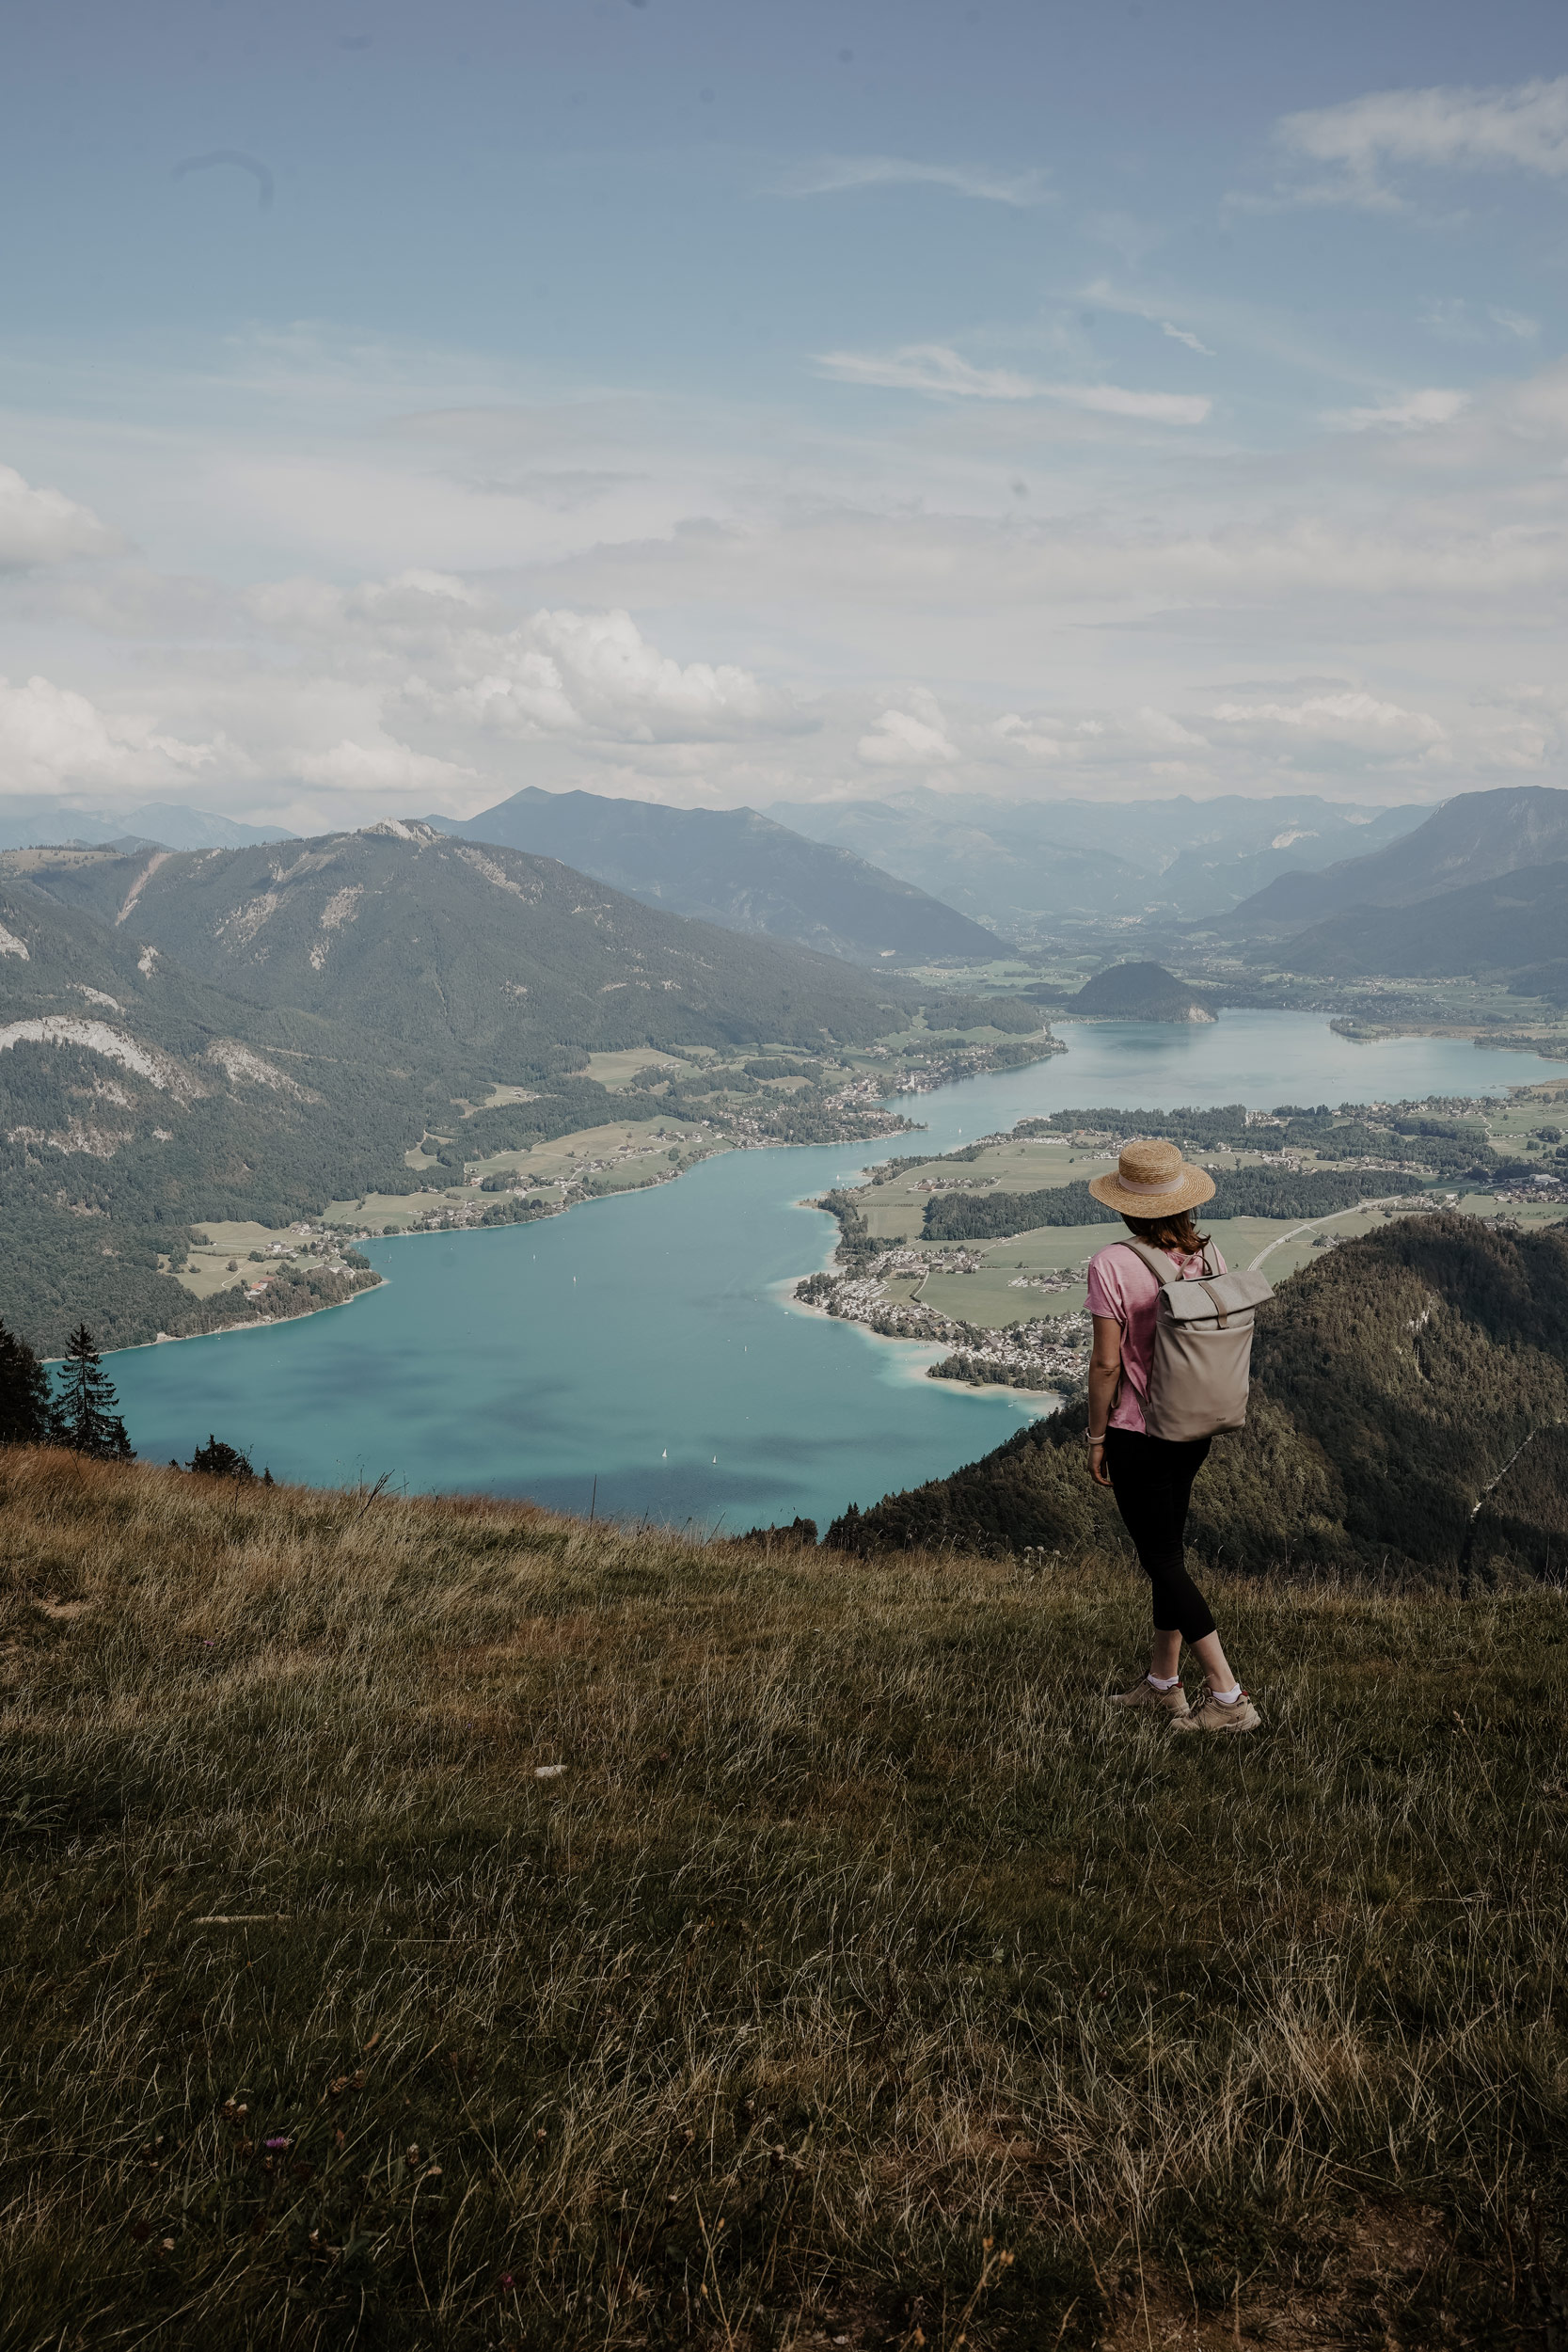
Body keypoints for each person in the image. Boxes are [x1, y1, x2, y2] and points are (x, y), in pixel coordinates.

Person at [1083, 1137, 1260, 1734]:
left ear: (1126, 1204)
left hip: (1141, 1431)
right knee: (1167, 1554)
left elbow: (1107, 1365)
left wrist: (1096, 1436)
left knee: (1160, 1559)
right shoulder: (1209, 1255)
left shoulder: (1113, 1263)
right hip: (1195, 1424)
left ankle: (1228, 1697)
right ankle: (1164, 1685)